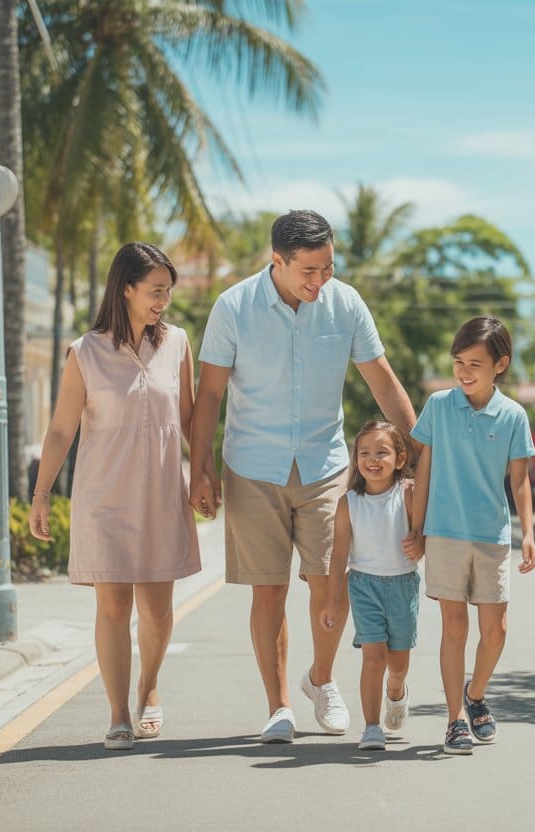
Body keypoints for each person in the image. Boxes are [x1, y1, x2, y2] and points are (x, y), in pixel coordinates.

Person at [189, 210, 418, 744]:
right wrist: (200, 468)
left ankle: (321, 679)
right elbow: (210, 397)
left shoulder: (346, 303)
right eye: (308, 272)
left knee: (330, 581)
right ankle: (279, 708)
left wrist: (422, 454)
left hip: (325, 465)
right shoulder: (234, 307)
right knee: (267, 591)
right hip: (252, 465)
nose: (319, 282)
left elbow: (383, 385)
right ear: (278, 261)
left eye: (328, 269)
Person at [29, 242, 200, 751]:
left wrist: (209, 474)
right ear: (125, 288)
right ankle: (118, 711)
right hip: (103, 496)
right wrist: (41, 494)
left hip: (162, 493)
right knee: (113, 605)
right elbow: (62, 430)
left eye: (168, 291)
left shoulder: (178, 344)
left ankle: (149, 688)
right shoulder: (85, 351)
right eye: (155, 290)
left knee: (156, 607)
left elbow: (190, 420)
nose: (163, 301)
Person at [403, 316, 535, 755]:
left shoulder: (514, 415)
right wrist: (417, 529)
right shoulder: (439, 406)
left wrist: (529, 534)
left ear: (500, 364)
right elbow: (423, 472)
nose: (463, 371)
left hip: (492, 536)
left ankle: (475, 694)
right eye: (459, 361)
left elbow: (519, 481)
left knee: (495, 630)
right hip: (443, 534)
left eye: (474, 363)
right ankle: (454, 720)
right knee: (454, 627)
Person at [320, 421, 418, 751]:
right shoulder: (349, 502)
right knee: (373, 657)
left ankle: (397, 691)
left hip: (403, 586)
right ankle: (371, 726)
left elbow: (424, 532)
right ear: (356, 459)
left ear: (400, 459)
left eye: (382, 452)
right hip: (363, 587)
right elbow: (339, 556)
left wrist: (422, 544)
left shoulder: (408, 492)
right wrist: (331, 602)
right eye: (364, 453)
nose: (372, 460)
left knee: (398, 665)